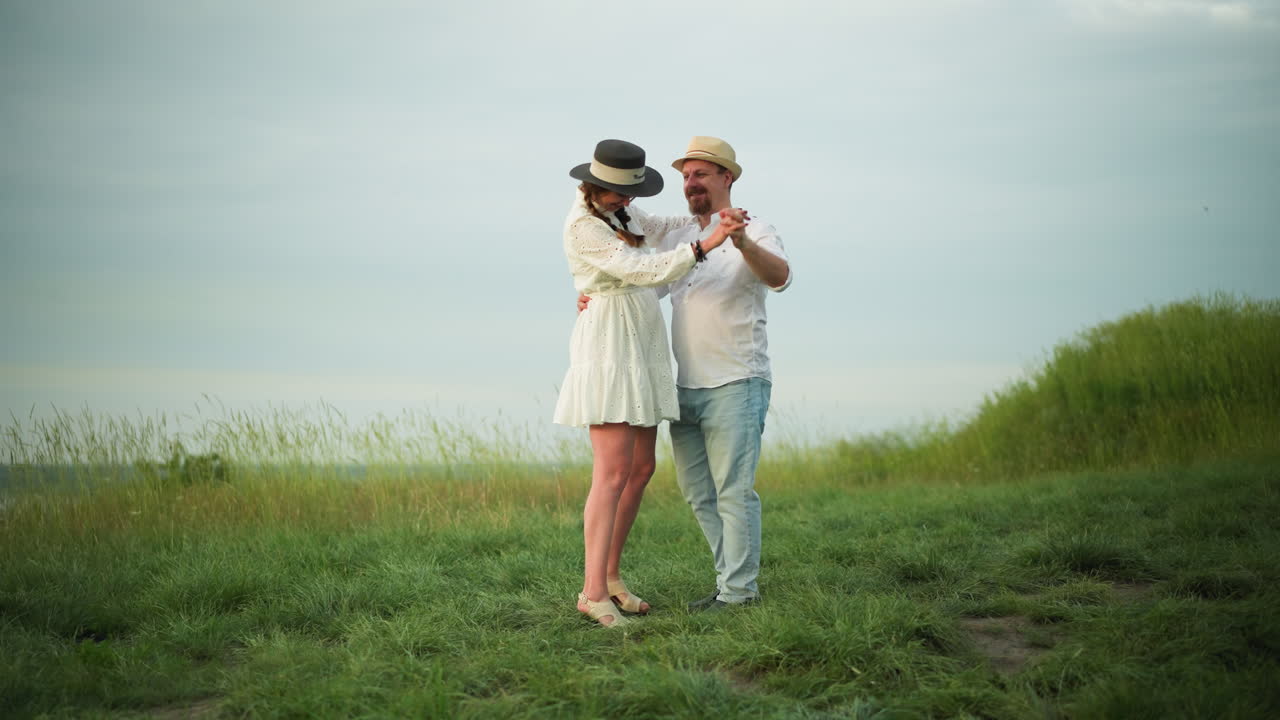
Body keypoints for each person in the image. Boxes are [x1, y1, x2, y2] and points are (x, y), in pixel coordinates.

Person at [580, 136, 792, 612]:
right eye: (686, 176)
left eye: (701, 174)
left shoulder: (756, 229)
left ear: (726, 178)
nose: (691, 183)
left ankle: (739, 594)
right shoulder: (679, 241)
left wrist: (739, 241)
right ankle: (729, 583)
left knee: (733, 493)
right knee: (699, 495)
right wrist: (598, 296)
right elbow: (646, 286)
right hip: (684, 388)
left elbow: (779, 277)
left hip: (737, 380)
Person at [553, 139, 746, 628]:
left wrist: (712, 217)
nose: (628, 200)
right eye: (619, 191)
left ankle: (611, 577)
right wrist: (705, 244)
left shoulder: (624, 212)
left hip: (641, 341)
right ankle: (592, 592)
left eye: (631, 192)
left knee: (640, 468)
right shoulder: (582, 225)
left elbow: (660, 227)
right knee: (612, 472)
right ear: (594, 185)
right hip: (611, 346)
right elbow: (637, 267)